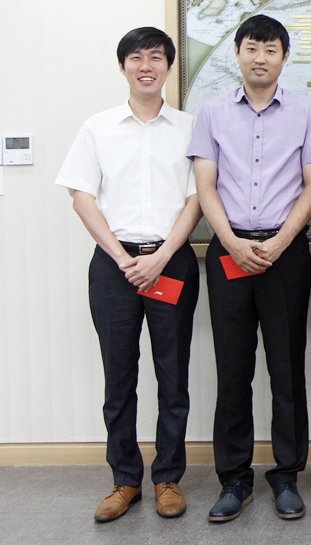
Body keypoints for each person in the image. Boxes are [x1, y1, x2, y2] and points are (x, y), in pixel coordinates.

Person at [55, 27, 201, 521]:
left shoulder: (190, 128)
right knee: (118, 377)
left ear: (169, 67)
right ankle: (124, 480)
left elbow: (196, 199)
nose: (146, 66)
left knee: (172, 375)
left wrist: (160, 257)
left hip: (171, 262)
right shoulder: (98, 128)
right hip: (113, 266)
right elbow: (81, 197)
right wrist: (123, 259)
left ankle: (168, 479)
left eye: (156, 57)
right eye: (136, 58)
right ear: (123, 67)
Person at [187, 14, 311, 522]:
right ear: (237, 53)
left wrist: (279, 242)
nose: (260, 57)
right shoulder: (212, 112)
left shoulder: (307, 113)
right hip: (228, 252)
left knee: (287, 369)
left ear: (285, 57)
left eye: (270, 49)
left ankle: (287, 476)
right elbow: (205, 186)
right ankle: (234, 479)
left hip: (286, 254)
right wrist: (232, 242)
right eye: (251, 47)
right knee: (233, 370)